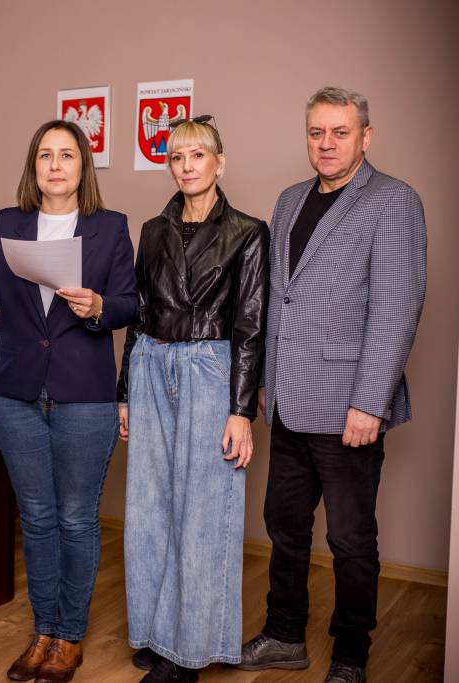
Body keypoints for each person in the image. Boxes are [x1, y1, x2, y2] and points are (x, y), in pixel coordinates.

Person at [0, 120, 137, 683]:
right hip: (17, 395)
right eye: (45, 155)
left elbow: (131, 303)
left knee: (76, 519)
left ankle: (70, 638)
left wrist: (98, 307)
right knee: (36, 519)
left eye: (67, 155)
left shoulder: (110, 227)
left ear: (83, 166)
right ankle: (43, 632)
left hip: (84, 396)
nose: (55, 165)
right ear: (33, 166)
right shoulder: (7, 224)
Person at [236, 87, 427, 683]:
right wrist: (264, 380)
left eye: (340, 132)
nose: (327, 144)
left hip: (349, 409)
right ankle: (284, 634)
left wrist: (370, 402)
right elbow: (277, 299)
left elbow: (396, 308)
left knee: (350, 541)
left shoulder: (393, 200)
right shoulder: (290, 200)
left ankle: (350, 657)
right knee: (285, 528)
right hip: (288, 401)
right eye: (317, 132)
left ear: (365, 136)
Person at [117, 116, 269, 683]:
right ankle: (156, 633)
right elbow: (138, 314)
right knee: (149, 508)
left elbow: (251, 326)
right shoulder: (153, 230)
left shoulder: (248, 233)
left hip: (209, 370)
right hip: (152, 365)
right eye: (177, 157)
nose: (187, 166)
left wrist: (241, 412)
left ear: (219, 163)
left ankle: (189, 649)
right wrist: (125, 392)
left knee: (204, 511)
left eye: (198, 155)